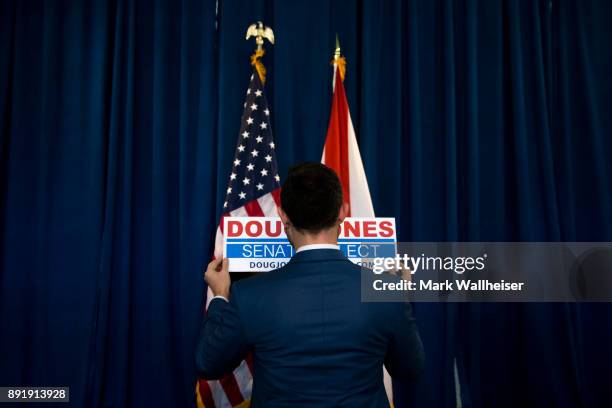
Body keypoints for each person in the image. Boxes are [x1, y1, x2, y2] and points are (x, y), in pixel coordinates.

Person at [196, 162, 424, 407]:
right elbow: (409, 370)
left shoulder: (248, 295)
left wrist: (219, 296)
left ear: (283, 216)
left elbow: (208, 364)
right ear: (343, 212)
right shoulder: (386, 293)